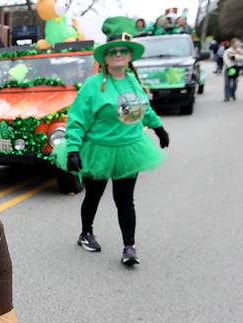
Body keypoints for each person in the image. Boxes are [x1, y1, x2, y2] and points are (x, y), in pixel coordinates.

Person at [55, 18, 169, 266]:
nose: (117, 54)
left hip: (129, 150)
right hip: (99, 150)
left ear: (129, 55)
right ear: (105, 57)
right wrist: (73, 148)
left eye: (122, 51)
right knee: (93, 196)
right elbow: (77, 119)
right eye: (112, 51)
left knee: (125, 200)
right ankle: (86, 233)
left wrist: (159, 127)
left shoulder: (133, 81)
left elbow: (144, 109)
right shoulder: (93, 86)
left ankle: (129, 246)